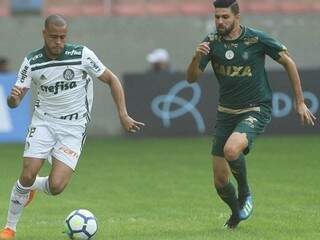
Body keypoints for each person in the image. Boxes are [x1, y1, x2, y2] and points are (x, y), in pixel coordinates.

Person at [0, 14, 144, 239]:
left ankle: (33, 188)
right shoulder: (32, 61)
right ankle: (10, 228)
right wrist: (13, 98)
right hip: (44, 122)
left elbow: (112, 79)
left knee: (56, 186)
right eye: (53, 37)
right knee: (27, 173)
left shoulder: (82, 55)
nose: (58, 42)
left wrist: (123, 115)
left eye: (62, 37)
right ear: (44, 34)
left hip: (74, 128)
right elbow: (15, 101)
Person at [186, 0, 316, 229]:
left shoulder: (256, 39)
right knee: (220, 181)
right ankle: (236, 213)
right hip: (226, 113)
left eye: (225, 17)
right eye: (217, 17)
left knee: (231, 150)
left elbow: (288, 62)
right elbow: (192, 78)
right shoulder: (211, 42)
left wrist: (300, 102)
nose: (219, 21)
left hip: (256, 108)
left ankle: (245, 193)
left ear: (237, 17)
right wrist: (196, 57)